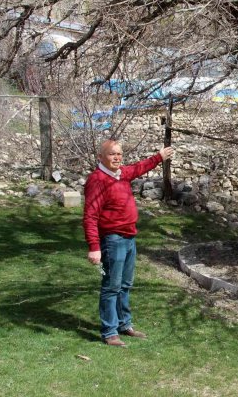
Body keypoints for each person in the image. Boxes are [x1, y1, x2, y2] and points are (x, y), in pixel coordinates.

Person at [83, 140, 174, 347]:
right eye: (112, 154)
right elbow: (90, 217)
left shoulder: (121, 174)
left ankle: (124, 325)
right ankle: (109, 331)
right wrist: (94, 247)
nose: (117, 158)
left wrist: (158, 157)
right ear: (101, 157)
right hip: (112, 240)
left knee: (125, 285)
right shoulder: (97, 180)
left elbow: (138, 167)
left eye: (119, 154)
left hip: (129, 237)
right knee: (111, 287)